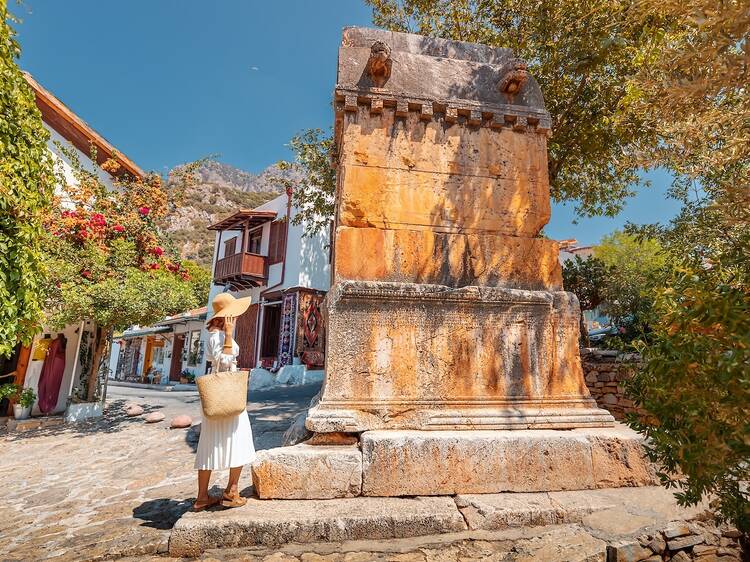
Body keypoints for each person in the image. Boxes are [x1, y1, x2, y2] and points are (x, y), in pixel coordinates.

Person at [193, 293, 256, 511]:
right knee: (240, 438)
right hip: (227, 392)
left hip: (218, 394)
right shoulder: (218, 335)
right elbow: (225, 361)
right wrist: (229, 335)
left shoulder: (214, 334)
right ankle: (231, 491)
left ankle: (202, 496)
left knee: (210, 443)